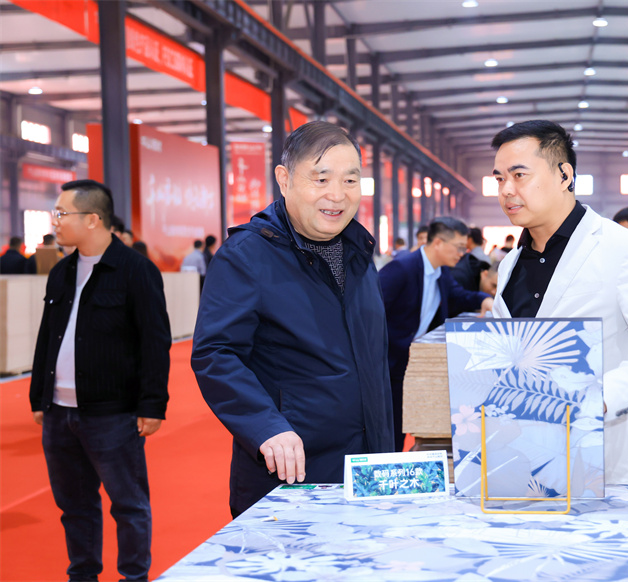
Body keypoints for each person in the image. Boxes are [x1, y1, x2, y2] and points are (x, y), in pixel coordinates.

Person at [192, 121, 393, 517]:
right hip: (291, 471)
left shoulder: (358, 254)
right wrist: (266, 426)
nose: (337, 194)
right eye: (321, 178)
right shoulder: (247, 256)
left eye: (350, 180)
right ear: (284, 180)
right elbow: (216, 353)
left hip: (367, 466)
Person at [490, 120, 628, 485]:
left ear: (564, 175)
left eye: (519, 175)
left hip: (598, 463)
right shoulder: (510, 265)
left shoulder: (622, 248)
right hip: (522, 464)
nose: (507, 190)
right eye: (499, 179)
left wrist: (600, 398)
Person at [29, 179, 171, 582]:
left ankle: (133, 577)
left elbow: (154, 340)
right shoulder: (61, 272)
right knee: (74, 506)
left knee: (128, 505)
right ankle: (83, 575)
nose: (55, 221)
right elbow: (47, 337)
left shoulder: (136, 271)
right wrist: (39, 397)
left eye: (62, 213)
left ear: (92, 219)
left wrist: (152, 404)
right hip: (59, 414)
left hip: (113, 413)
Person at [379, 217, 493, 451]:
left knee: (403, 424)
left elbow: (459, 296)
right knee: (388, 429)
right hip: (386, 364)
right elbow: (371, 312)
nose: (462, 253)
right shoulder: (402, 268)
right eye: (459, 247)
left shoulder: (441, 272)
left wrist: (484, 299)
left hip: (411, 363)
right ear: (438, 242)